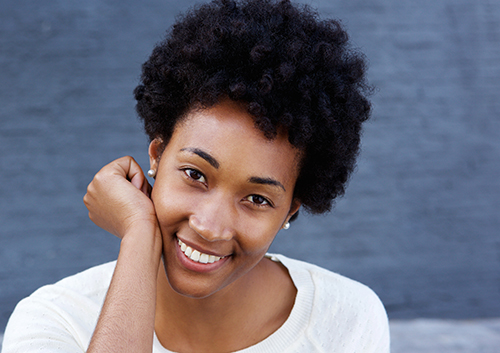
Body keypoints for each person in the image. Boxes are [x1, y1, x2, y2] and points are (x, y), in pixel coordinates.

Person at [2, 0, 390, 352]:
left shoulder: (346, 320)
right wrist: (139, 234)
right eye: (194, 174)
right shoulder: (55, 321)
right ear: (156, 155)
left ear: (290, 210)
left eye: (258, 199)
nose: (210, 227)